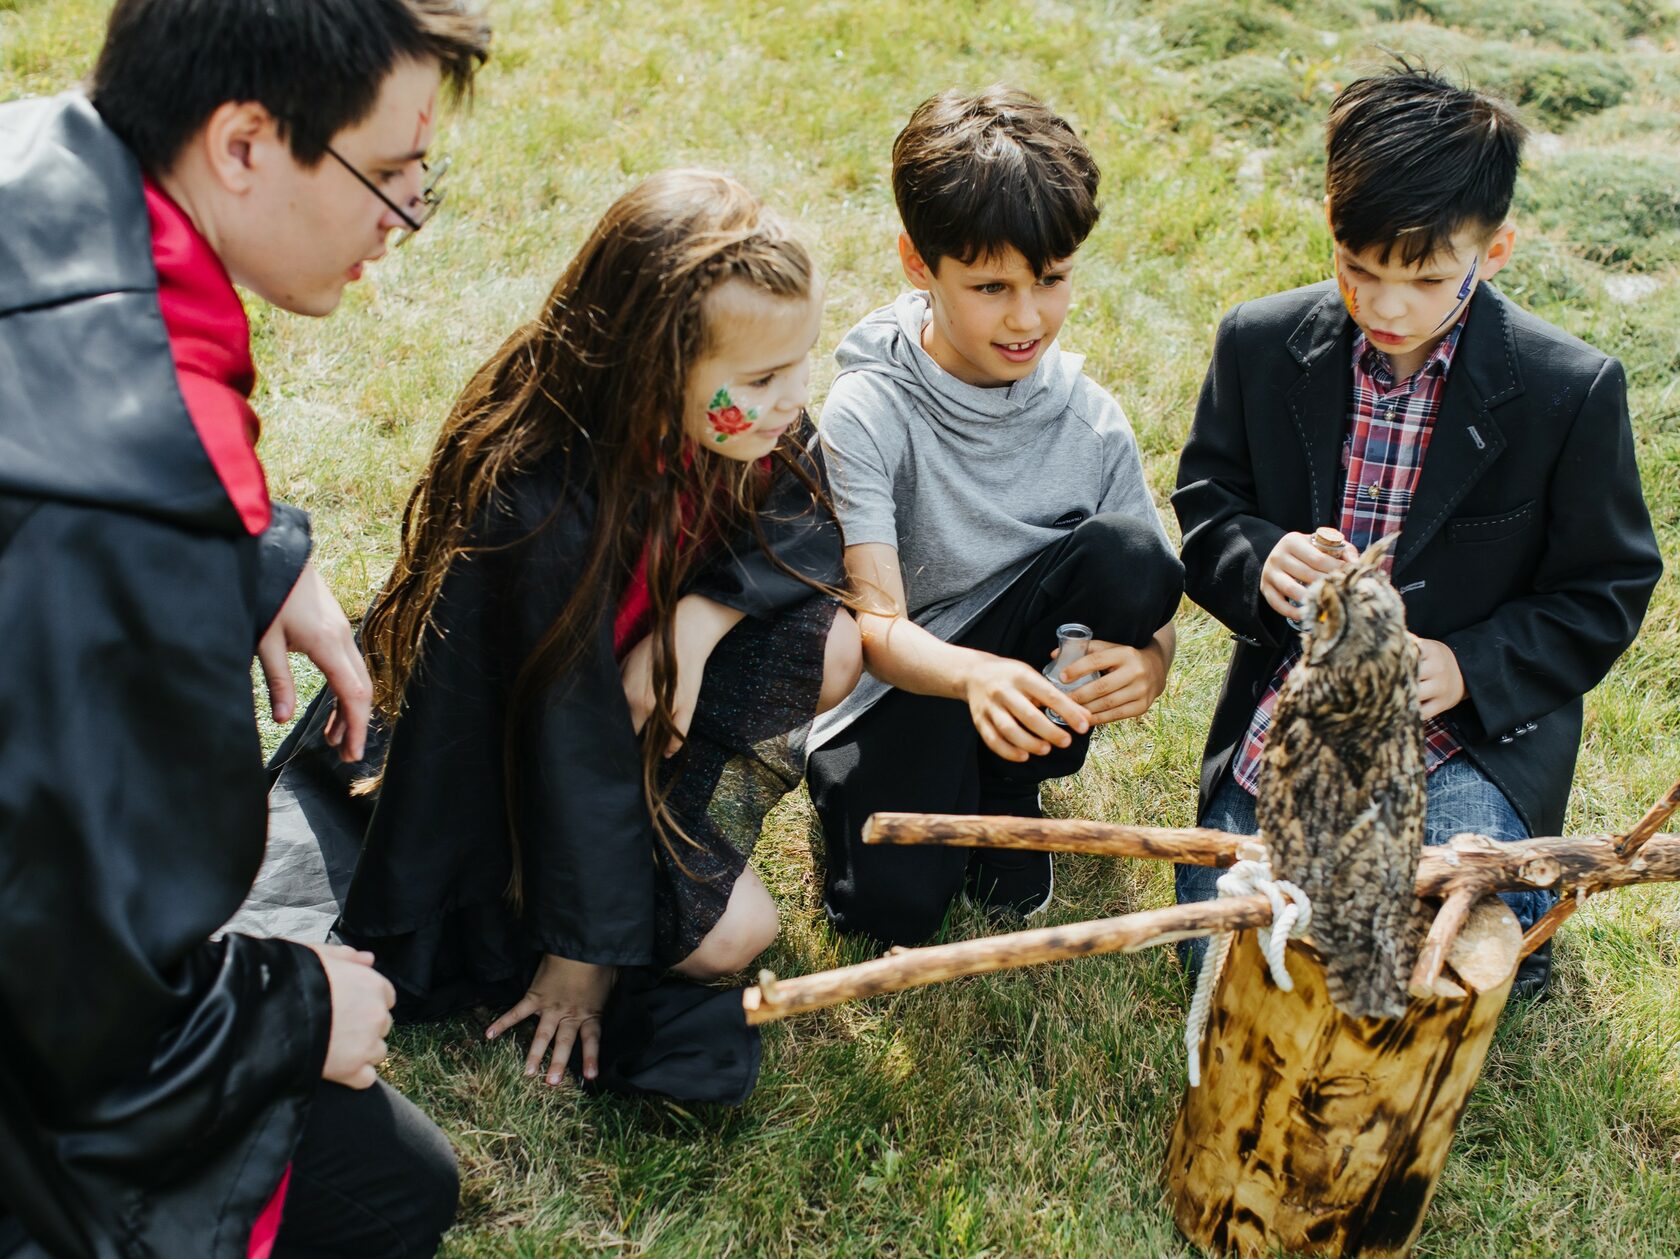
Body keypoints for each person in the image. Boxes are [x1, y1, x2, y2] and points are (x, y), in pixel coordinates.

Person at [0, 2, 489, 1256]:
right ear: (242, 144)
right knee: (390, 1186)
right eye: (384, 173)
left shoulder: (37, 159)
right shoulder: (132, 504)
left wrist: (261, 547)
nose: (404, 216)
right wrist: (294, 1006)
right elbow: (80, 1009)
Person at [255, 168, 860, 1099]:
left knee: (834, 643)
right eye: (767, 378)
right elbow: (565, 752)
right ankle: (568, 915)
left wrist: (694, 624)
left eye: (804, 361)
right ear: (657, 373)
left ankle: (656, 823)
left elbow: (805, 521)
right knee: (735, 937)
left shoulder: (744, 424)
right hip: (518, 767)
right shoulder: (536, 508)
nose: (794, 399)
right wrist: (584, 954)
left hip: (627, 703)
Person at [1172, 62, 1662, 998]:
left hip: (1462, 737)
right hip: (1300, 708)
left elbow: (1606, 587)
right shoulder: (1260, 343)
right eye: (1360, 270)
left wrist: (1467, 665)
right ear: (1330, 225)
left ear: (1498, 247)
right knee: (1237, 947)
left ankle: (1508, 918)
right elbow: (1207, 502)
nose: (1387, 305)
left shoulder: (1570, 390)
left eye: (1427, 278)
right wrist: (1259, 556)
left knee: (1415, 958)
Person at [808, 87, 1185, 948]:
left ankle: (1011, 784)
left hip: (1020, 676)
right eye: (990, 285)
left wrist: (1154, 664)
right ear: (918, 263)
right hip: (906, 684)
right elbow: (878, 628)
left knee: (1130, 554)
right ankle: (882, 789)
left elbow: (1153, 592)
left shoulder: (1090, 419)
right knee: (889, 913)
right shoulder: (868, 410)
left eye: (1050, 280)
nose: (1027, 317)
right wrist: (975, 677)